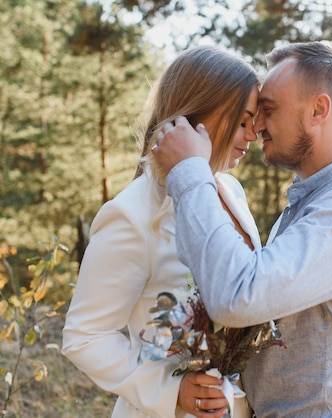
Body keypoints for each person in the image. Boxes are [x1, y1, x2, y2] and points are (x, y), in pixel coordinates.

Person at [152, 41, 332, 417]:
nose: (256, 127)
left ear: (318, 110)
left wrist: (190, 172)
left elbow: (239, 296)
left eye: (268, 110)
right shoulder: (312, 201)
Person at [62, 45, 261, 418]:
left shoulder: (230, 191)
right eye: (242, 120)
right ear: (199, 113)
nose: (253, 135)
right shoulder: (130, 215)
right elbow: (83, 336)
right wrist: (171, 390)